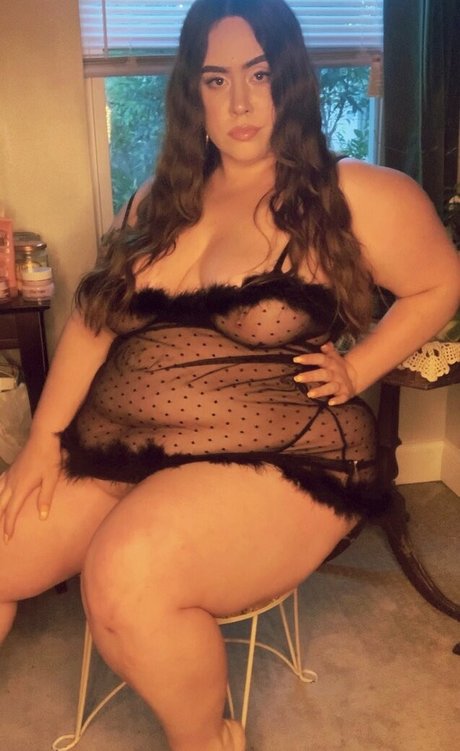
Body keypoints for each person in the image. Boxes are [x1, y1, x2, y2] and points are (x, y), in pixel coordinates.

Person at [0, 0, 459, 748]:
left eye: (260, 74)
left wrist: (360, 366)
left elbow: (441, 282)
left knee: (125, 574)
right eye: (216, 80)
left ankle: (207, 738)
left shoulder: (354, 196)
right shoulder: (158, 200)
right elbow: (92, 323)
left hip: (286, 453)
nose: (240, 102)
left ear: (292, 79)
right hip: (132, 444)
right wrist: (43, 441)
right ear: (194, 94)